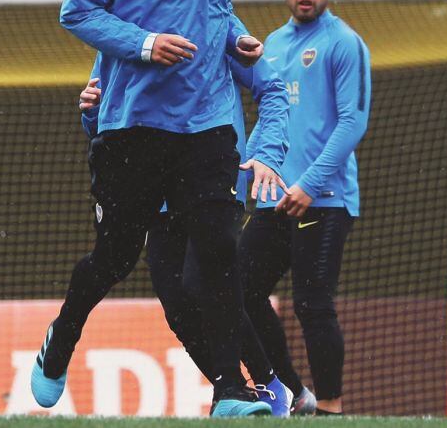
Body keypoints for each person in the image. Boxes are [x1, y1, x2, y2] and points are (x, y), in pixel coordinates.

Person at [30, 0, 273, 417]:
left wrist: (238, 39)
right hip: (134, 125)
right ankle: (60, 340)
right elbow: (76, 10)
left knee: (218, 250)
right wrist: (143, 44)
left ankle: (231, 392)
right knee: (115, 257)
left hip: (209, 123)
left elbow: (214, 12)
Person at [78, 51, 293, 416]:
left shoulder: (214, 18)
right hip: (156, 190)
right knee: (176, 305)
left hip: (212, 177)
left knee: (203, 282)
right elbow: (109, 119)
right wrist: (91, 111)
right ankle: (240, 393)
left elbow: (271, 88)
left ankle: (269, 385)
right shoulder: (115, 40)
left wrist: (266, 151)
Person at [238, 0, 371, 417]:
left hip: (325, 199)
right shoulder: (271, 44)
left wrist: (310, 184)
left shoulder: (344, 43)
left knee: (312, 304)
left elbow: (352, 122)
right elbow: (269, 118)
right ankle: (294, 394)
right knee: (238, 288)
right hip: (277, 198)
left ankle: (332, 410)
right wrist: (252, 170)